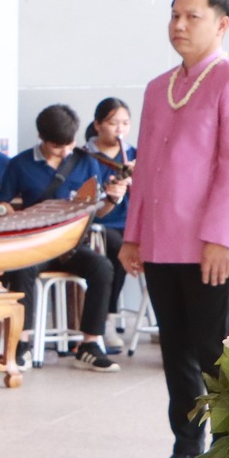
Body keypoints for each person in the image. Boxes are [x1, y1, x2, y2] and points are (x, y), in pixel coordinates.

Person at [124, 0, 229, 458]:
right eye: (174, 15)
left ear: (222, 24)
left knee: (214, 355)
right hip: (162, 243)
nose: (179, 25)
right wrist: (133, 234)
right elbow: (145, 171)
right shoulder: (158, 87)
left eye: (192, 16)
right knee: (176, 351)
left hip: (212, 247)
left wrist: (220, 237)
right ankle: (186, 451)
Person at [0, 104, 124, 371]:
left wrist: (113, 199)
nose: (65, 151)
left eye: (70, 144)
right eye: (57, 147)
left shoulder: (86, 161)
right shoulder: (20, 164)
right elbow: (3, 203)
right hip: (36, 245)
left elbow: (98, 211)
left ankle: (89, 344)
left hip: (72, 245)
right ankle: (21, 344)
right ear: (42, 138)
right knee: (22, 268)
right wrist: (8, 212)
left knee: (102, 267)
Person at [85, 97, 136, 321]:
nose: (120, 129)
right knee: (121, 247)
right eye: (113, 123)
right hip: (100, 225)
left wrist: (138, 181)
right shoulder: (84, 157)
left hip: (131, 223)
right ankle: (109, 315)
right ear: (97, 125)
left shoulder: (135, 155)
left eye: (125, 123)